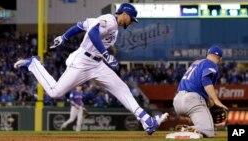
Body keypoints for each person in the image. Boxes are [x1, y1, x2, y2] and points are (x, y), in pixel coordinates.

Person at [14, 3, 168, 135]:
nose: (132, 22)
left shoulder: (106, 22)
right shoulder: (109, 20)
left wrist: (64, 37)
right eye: (131, 19)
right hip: (82, 62)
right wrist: (107, 55)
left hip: (97, 65)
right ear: (125, 14)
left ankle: (146, 120)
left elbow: (81, 25)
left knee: (121, 88)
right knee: (55, 92)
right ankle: (34, 64)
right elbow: (94, 33)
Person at [173, 45, 228, 137]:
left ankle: (188, 128)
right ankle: (191, 129)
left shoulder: (196, 62)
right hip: (192, 101)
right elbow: (205, 80)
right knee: (209, 131)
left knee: (202, 128)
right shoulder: (211, 63)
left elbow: (198, 85)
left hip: (178, 101)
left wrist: (210, 102)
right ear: (220, 58)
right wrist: (216, 100)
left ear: (207, 54)